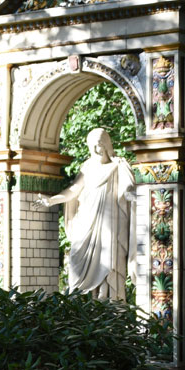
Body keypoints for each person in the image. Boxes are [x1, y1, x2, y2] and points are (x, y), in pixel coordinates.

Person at [33, 127, 135, 300]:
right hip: (85, 222)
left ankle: (107, 305)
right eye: (93, 146)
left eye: (100, 145)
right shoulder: (87, 167)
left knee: (108, 264)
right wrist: (52, 200)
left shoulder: (119, 166)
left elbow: (128, 190)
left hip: (108, 226)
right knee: (76, 263)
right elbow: (73, 190)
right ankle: (80, 306)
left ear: (107, 145)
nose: (96, 150)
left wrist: (133, 196)